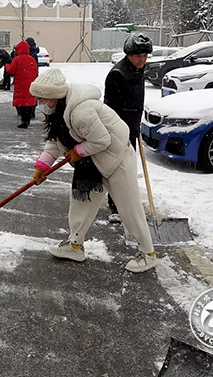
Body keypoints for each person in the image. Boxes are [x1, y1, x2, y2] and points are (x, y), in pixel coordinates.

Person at [30, 68, 158, 273]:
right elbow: (55, 142)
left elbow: (102, 140)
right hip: (91, 162)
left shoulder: (81, 111)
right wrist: (42, 166)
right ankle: (75, 245)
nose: (40, 105)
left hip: (116, 159)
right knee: (81, 203)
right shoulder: (59, 113)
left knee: (129, 208)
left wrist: (77, 152)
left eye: (43, 99)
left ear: (55, 96)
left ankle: (148, 253)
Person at [103, 34, 152, 220]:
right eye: (139, 55)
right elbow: (109, 109)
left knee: (129, 168)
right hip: (119, 130)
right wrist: (117, 131)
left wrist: (136, 124)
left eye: (145, 56)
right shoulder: (118, 74)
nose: (142, 59)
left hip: (132, 126)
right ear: (129, 54)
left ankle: (126, 202)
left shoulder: (138, 70)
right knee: (119, 169)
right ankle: (115, 206)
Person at [4, 41, 38, 128]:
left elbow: (11, 71)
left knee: (22, 103)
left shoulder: (17, 59)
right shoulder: (31, 59)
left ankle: (24, 121)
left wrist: (7, 66)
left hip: (20, 84)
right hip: (30, 83)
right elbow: (36, 71)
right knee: (29, 101)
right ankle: (28, 119)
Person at [25, 37, 40, 119]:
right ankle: (32, 111)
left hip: (30, 75)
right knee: (33, 94)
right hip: (34, 75)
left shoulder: (30, 53)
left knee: (30, 93)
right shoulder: (34, 52)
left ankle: (30, 111)